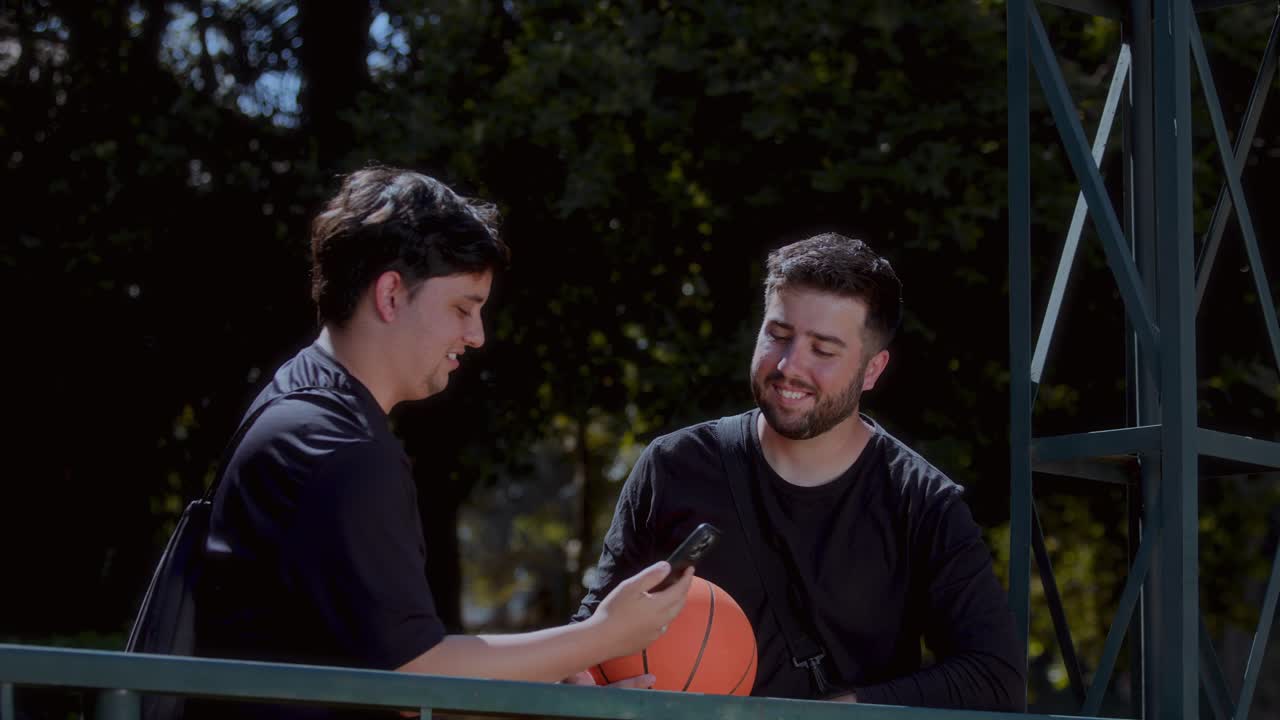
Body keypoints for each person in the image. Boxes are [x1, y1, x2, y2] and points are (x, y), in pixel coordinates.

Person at [193, 166, 691, 719]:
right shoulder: (340, 448)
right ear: (390, 293)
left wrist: (553, 691)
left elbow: (387, 666)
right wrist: (604, 637)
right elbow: (415, 678)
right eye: (463, 307)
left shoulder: (301, 400)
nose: (476, 335)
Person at [574, 233, 1025, 710]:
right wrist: (589, 685)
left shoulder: (921, 501)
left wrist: (836, 713)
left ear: (872, 370)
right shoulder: (675, 465)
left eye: (824, 350)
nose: (790, 366)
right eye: (779, 335)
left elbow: (995, 677)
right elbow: (590, 634)